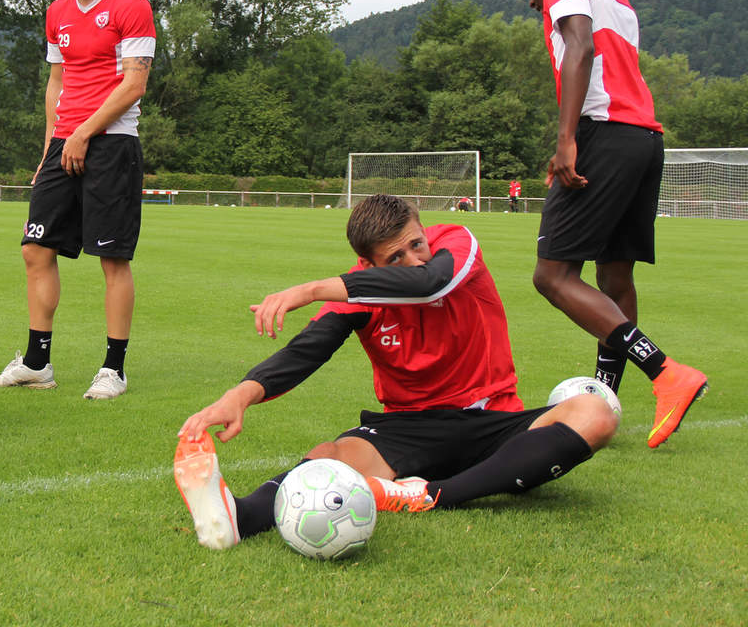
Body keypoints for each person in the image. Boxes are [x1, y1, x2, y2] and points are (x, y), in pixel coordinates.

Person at [173, 194, 618, 550]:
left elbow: (428, 285)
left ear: (424, 229)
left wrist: (309, 289)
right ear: (368, 267)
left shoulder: (457, 246)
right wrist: (239, 396)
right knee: (334, 454)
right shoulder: (360, 294)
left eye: (416, 244)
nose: (414, 259)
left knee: (596, 412)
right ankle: (240, 517)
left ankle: (431, 495)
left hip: (490, 418)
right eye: (396, 257)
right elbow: (306, 351)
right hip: (410, 429)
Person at [510, 0, 707, 448]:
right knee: (615, 275)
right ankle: (606, 396)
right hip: (644, 137)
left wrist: (566, 138)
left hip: (603, 133)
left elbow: (581, 46)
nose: (531, 0)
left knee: (551, 276)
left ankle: (666, 373)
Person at [0, 0, 155, 400]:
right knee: (35, 248)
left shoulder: (131, 6)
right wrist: (50, 147)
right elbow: (56, 84)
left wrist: (84, 133)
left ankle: (113, 369)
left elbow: (135, 83)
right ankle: (37, 362)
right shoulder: (57, 12)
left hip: (112, 141)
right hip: (65, 142)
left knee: (112, 259)